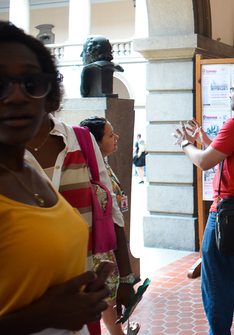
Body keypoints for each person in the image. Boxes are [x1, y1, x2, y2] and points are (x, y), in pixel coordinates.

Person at [0, 20, 109, 334]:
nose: (17, 96)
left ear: (48, 96)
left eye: (31, 83)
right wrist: (44, 316)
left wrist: (83, 295)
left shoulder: (29, 170)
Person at [24, 51, 136, 334]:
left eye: (30, 83)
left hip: (82, 285)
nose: (17, 95)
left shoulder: (79, 141)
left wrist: (126, 277)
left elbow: (111, 212)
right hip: (23, 296)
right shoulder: (9, 153)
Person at [172, 71, 234, 335]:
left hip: (226, 216)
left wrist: (185, 144)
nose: (229, 94)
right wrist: (206, 140)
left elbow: (204, 161)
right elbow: (232, 156)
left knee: (217, 283)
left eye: (232, 89)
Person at [79, 116, 141, 335]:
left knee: (109, 296)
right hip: (101, 245)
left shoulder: (104, 166)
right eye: (110, 134)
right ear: (95, 142)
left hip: (112, 241)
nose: (117, 137)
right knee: (106, 296)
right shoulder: (86, 171)